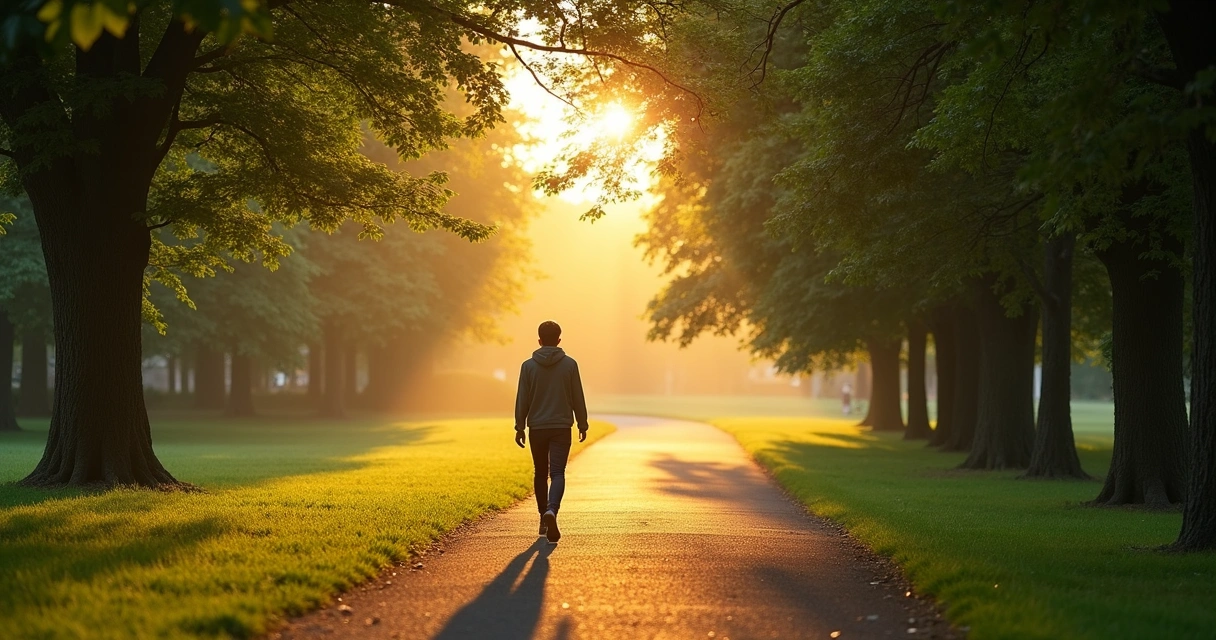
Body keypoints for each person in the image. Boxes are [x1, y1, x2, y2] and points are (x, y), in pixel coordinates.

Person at [514, 320, 589, 543]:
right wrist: (582, 423)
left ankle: (542, 518)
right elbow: (578, 396)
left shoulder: (527, 366)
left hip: (537, 427)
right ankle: (552, 511)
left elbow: (522, 400)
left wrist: (519, 426)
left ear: (539, 340)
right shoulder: (570, 365)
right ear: (559, 340)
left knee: (540, 472)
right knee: (557, 473)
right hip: (561, 426)